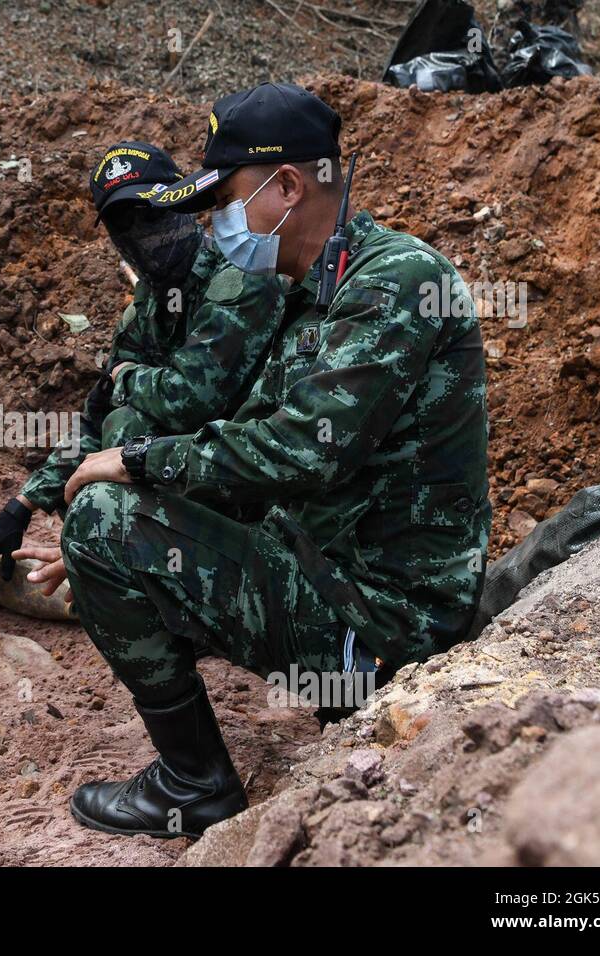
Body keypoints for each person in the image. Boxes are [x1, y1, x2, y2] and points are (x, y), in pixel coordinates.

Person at [41, 83, 490, 838]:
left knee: (103, 523)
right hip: (336, 580)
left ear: (286, 186)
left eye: (223, 203)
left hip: (385, 627)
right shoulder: (317, 290)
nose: (215, 228)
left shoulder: (396, 282)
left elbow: (297, 454)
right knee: (112, 525)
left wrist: (136, 470)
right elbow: (253, 440)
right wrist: (151, 525)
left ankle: (192, 786)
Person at [0, 141, 285, 592]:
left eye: (151, 213)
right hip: (189, 476)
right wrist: (23, 505)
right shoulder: (146, 310)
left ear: (183, 203)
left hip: (257, 480)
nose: (142, 235)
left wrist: (129, 377)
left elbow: (189, 400)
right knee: (117, 426)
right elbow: (96, 412)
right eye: (123, 223)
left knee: (128, 425)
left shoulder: (238, 279)